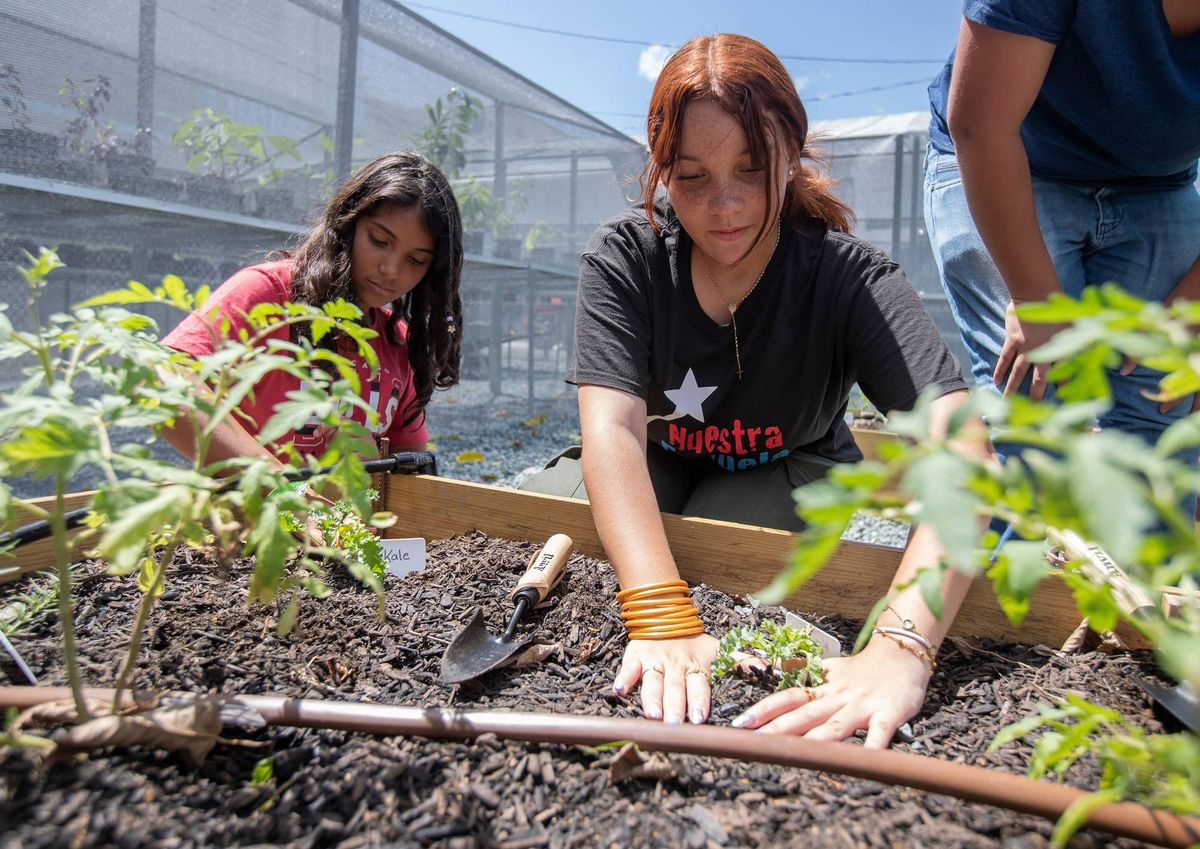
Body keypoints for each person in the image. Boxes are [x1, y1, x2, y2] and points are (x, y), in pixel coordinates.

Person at [520, 34, 994, 746]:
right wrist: (656, 611)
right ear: (660, 173)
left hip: (791, 460)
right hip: (660, 450)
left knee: (725, 558)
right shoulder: (627, 258)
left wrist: (900, 648)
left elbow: (966, 456)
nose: (726, 204)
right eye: (691, 177)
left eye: (752, 167)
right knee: (543, 521)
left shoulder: (850, 279)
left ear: (791, 151)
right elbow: (611, 432)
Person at [924, 3, 1200, 459]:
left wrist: (1191, 309)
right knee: (1033, 406)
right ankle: (1021, 524)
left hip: (1157, 185)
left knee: (1166, 402)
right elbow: (982, 125)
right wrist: (1034, 300)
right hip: (1009, 160)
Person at [161, 151, 464, 470]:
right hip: (244, 517)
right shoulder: (270, 295)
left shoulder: (398, 345)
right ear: (347, 224)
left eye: (415, 260)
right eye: (378, 240)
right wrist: (276, 488)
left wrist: (375, 462)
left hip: (340, 521)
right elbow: (164, 379)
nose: (391, 269)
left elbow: (413, 482)